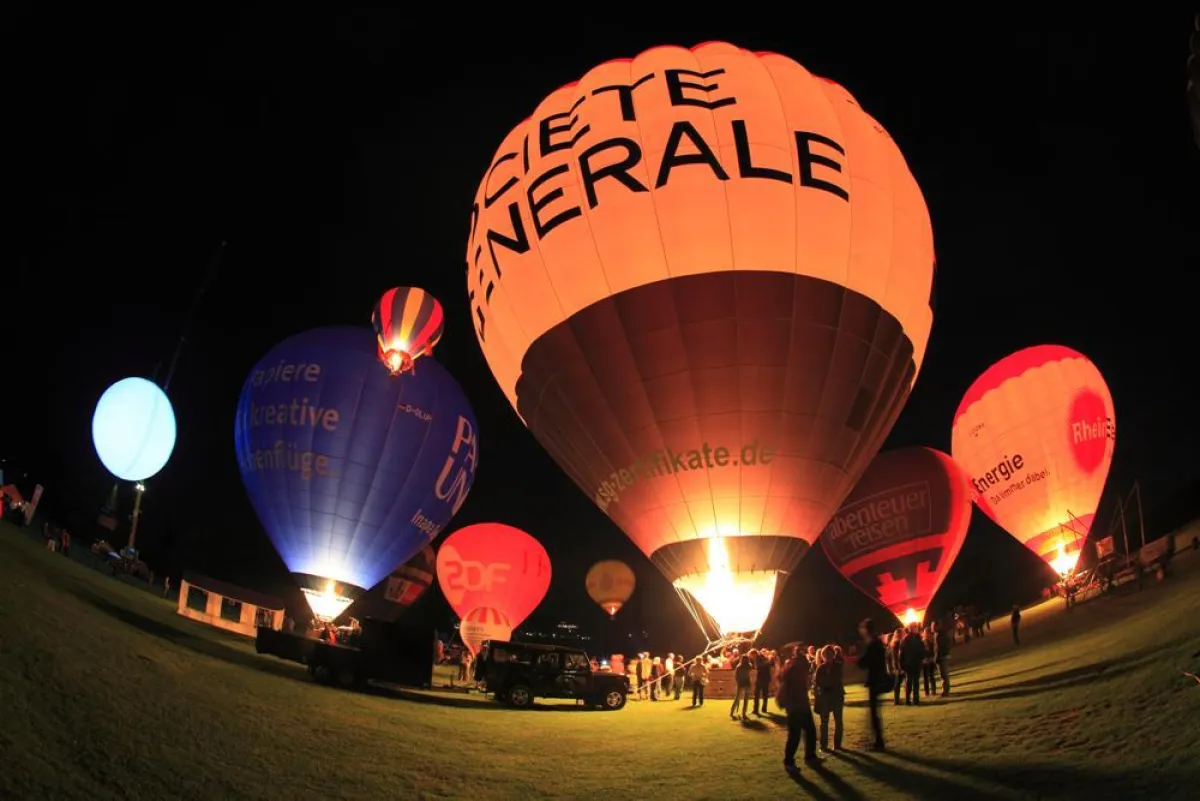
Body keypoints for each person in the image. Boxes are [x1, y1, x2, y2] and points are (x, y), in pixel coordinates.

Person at [778, 645, 819, 770]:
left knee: (809, 731)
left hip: (799, 704)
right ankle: (789, 762)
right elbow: (793, 687)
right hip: (796, 705)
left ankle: (810, 756)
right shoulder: (795, 668)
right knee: (796, 734)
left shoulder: (793, 666)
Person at [858, 618, 888, 752]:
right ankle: (876, 740)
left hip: (875, 680)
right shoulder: (877, 643)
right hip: (878, 679)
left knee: (873, 712)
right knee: (874, 712)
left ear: (866, 630)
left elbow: (867, 662)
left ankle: (878, 742)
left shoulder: (873, 644)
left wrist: (859, 661)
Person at [812, 645, 845, 752]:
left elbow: (836, 680)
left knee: (838, 721)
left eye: (830, 654)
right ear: (823, 656)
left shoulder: (838, 666)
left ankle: (837, 745)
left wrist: (825, 685)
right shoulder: (820, 668)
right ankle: (824, 745)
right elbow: (817, 682)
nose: (828, 656)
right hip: (825, 698)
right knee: (824, 722)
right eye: (826, 655)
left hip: (836, 696)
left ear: (833, 654)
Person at [900, 626, 926, 705]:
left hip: (911, 663)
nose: (916, 629)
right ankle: (914, 699)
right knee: (913, 682)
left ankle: (911, 699)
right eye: (915, 628)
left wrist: (902, 664)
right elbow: (921, 650)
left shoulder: (906, 639)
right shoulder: (914, 639)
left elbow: (901, 654)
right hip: (913, 663)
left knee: (911, 682)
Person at [932, 620, 952, 696]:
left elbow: (939, 648)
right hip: (943, 655)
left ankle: (946, 691)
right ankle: (946, 690)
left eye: (933, 626)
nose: (932, 628)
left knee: (944, 674)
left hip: (942, 656)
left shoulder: (940, 635)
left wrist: (937, 657)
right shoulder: (940, 634)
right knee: (944, 674)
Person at [731, 654, 753, 720]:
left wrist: (738, 682)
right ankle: (743, 714)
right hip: (745, 683)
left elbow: (736, 676)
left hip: (742, 683)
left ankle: (732, 712)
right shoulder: (748, 666)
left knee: (737, 699)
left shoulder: (739, 666)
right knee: (744, 700)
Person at [752, 648, 773, 716]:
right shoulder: (764, 657)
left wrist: (758, 666)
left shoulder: (759, 658)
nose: (752, 658)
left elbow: (759, 667)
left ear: (754, 654)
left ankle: (756, 710)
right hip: (766, 678)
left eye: (752, 656)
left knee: (757, 694)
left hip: (761, 678)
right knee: (764, 694)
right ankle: (764, 709)